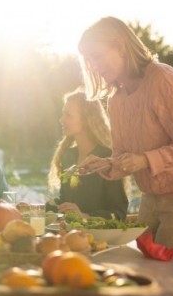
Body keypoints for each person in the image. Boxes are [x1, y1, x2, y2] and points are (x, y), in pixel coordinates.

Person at [77, 16, 173, 263]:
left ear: (120, 46)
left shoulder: (163, 79)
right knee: (148, 277)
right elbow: (124, 157)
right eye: (89, 60)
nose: (94, 65)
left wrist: (145, 160)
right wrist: (107, 165)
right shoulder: (116, 100)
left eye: (98, 56)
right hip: (150, 202)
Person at [47, 90, 128, 220]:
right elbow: (64, 202)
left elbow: (119, 213)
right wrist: (33, 209)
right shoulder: (67, 155)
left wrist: (86, 217)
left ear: (86, 119)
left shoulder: (106, 159)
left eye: (68, 115)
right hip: (70, 235)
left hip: (99, 238)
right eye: (63, 114)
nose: (61, 119)